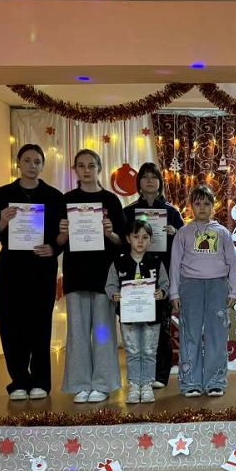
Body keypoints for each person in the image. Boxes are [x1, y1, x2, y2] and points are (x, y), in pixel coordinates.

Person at [0, 144, 63, 400]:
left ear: (42, 165)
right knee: (11, 323)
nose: (32, 165)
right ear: (18, 163)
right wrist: (2, 222)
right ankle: (18, 380)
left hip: (42, 268)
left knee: (40, 324)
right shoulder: (2, 194)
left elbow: (62, 236)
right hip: (12, 268)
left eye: (37, 161)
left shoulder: (54, 196)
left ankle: (40, 381)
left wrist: (54, 249)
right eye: (27, 160)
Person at [58, 149, 126, 403]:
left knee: (103, 332)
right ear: (75, 169)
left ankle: (103, 383)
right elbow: (58, 242)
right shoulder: (67, 200)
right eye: (81, 165)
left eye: (91, 165)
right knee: (77, 333)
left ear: (99, 168)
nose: (86, 170)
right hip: (75, 273)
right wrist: (63, 232)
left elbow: (122, 241)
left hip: (103, 275)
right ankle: (80, 384)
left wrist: (110, 233)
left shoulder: (111, 200)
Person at [169, 185, 236, 397]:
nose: (202, 207)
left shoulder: (222, 233)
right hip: (190, 287)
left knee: (217, 333)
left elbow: (232, 262)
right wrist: (174, 293)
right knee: (190, 333)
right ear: (191, 206)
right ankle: (190, 382)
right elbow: (175, 264)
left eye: (207, 204)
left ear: (213, 206)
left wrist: (234, 291)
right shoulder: (183, 233)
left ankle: (215, 381)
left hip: (217, 286)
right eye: (198, 203)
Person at [123, 162, 183, 390]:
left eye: (154, 177)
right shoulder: (129, 212)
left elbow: (185, 244)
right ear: (139, 182)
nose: (149, 181)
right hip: (135, 277)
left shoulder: (171, 212)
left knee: (162, 327)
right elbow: (121, 244)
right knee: (137, 327)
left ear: (160, 182)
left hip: (162, 275)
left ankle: (160, 374)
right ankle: (139, 375)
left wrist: (175, 233)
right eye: (145, 177)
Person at [105, 219, 169, 403]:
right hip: (129, 317)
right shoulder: (119, 262)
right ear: (128, 239)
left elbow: (165, 283)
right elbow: (110, 285)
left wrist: (162, 292)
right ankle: (134, 385)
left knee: (149, 351)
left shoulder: (156, 262)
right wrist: (114, 294)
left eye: (145, 237)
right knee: (133, 351)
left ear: (150, 240)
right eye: (136, 236)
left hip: (152, 317)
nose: (140, 241)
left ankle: (147, 385)